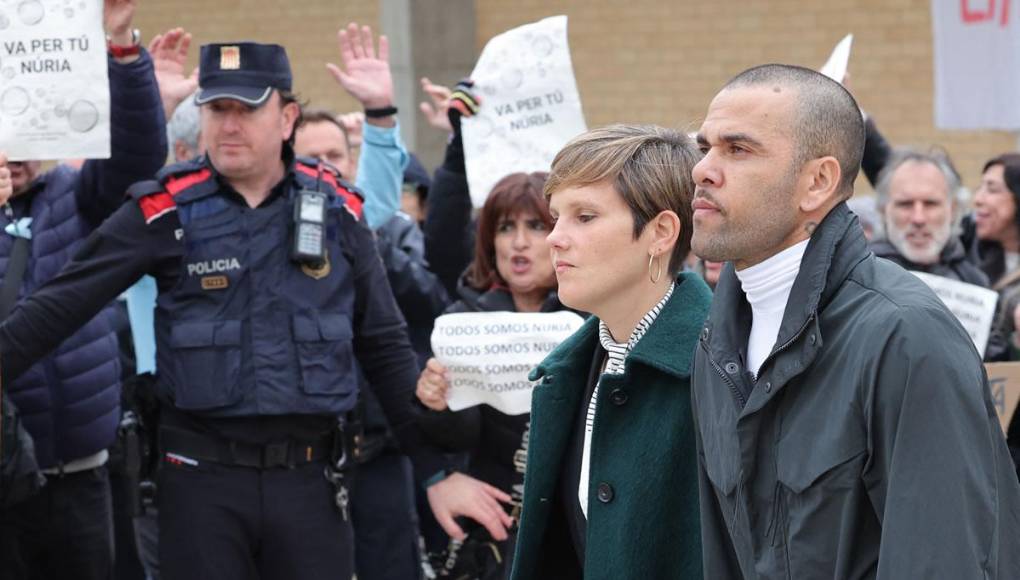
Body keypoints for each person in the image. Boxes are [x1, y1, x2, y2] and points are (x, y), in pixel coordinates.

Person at [0, 35, 445, 580]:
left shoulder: (336, 211)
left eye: (246, 109)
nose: (228, 124)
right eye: (216, 109)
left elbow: (384, 345)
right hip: (199, 485)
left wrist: (439, 473)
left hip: (310, 482)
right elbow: (57, 306)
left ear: (287, 118)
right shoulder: (164, 210)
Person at [690, 63, 1020, 579]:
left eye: (738, 149)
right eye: (704, 146)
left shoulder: (907, 335)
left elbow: (945, 559)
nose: (703, 169)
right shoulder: (717, 341)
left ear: (818, 182)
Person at [0, 2, 167, 577]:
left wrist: (122, 51)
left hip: (80, 477)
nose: (14, 153)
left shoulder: (73, 195)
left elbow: (139, 160)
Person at [507, 124, 711, 579]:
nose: (554, 238)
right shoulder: (570, 371)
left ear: (661, 232)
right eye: (556, 216)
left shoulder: (720, 370)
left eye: (584, 216)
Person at [416, 171, 561, 578]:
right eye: (505, 227)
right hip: (494, 527)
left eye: (535, 226)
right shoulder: (462, 322)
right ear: (488, 241)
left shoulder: (595, 318)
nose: (518, 242)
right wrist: (438, 403)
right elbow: (460, 437)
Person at [870, 148, 988, 286]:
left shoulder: (974, 283)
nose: (918, 218)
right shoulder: (857, 277)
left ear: (953, 209)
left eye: (930, 204)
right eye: (905, 204)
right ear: (883, 210)